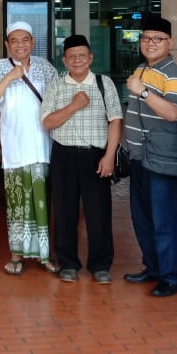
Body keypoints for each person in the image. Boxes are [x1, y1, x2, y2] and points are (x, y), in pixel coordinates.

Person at [40, 34, 122, 283]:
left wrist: (109, 156)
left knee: (99, 211)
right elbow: (47, 122)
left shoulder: (103, 83)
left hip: (95, 154)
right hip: (63, 154)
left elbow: (116, 120)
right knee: (64, 210)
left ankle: (100, 265)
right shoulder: (56, 85)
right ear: (64, 60)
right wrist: (74, 105)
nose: (77, 60)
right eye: (72, 56)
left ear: (90, 58)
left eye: (82, 56)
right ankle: (68, 263)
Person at [0, 21, 59, 276]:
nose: (20, 45)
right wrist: (9, 77)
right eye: (14, 40)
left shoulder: (46, 68)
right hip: (15, 147)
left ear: (32, 43)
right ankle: (16, 255)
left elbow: (59, 101)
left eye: (25, 39)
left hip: (42, 147)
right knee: (16, 202)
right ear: (7, 44)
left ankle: (45, 255)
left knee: (41, 202)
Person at [121, 14, 177, 297]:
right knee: (143, 218)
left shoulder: (173, 74)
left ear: (169, 42)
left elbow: (173, 113)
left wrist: (143, 91)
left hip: (161, 159)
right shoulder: (141, 68)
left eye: (157, 39)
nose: (150, 43)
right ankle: (153, 267)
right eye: (146, 38)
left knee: (164, 221)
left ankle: (172, 277)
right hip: (139, 156)